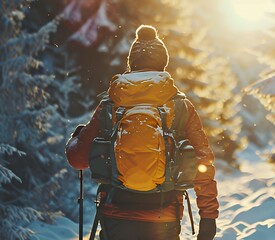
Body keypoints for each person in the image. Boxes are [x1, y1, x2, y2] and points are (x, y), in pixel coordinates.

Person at [65, 25, 219, 240]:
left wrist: (76, 139)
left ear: (132, 63)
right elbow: (203, 162)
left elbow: (79, 160)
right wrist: (208, 217)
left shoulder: (110, 105)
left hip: (115, 215)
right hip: (163, 218)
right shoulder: (180, 106)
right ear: (162, 64)